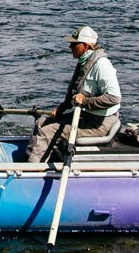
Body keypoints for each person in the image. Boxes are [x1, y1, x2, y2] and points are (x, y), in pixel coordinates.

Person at [21, 25, 120, 163]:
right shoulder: (84, 62)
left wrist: (84, 101)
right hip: (83, 116)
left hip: (99, 124)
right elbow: (74, 92)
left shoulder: (101, 65)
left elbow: (114, 98)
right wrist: (63, 107)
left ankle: (32, 172)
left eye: (74, 44)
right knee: (41, 123)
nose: (70, 47)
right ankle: (27, 161)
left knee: (47, 132)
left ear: (86, 46)